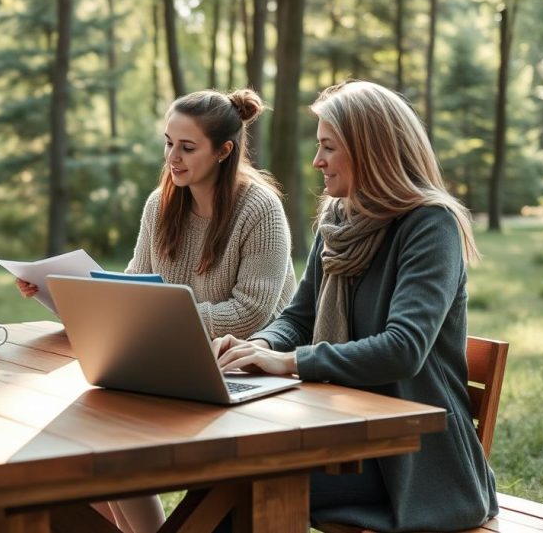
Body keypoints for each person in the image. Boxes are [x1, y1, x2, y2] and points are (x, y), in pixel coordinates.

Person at [213, 80, 498, 532]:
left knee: (239, 486)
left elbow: (402, 349)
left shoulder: (429, 226)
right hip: (341, 431)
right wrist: (255, 348)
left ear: (371, 150)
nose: (316, 161)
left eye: (329, 147)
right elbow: (300, 318)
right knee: (225, 478)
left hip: (412, 462)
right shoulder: (338, 219)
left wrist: (287, 362)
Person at [17, 88, 297, 533]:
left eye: (187, 147)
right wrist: (57, 292)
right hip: (173, 357)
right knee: (95, 427)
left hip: (245, 368)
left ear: (224, 151)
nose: (173, 157)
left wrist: (168, 318)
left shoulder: (260, 210)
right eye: (168, 143)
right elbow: (131, 289)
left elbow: (253, 311)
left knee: (107, 430)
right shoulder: (160, 204)